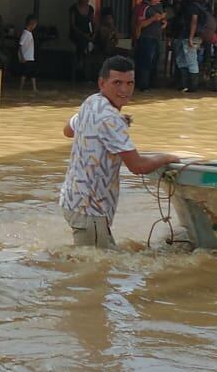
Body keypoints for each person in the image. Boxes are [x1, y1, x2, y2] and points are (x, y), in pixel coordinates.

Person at [59, 56, 179, 249]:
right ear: (102, 83)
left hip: (71, 199)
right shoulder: (111, 119)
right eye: (117, 83)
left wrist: (112, 124)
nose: (124, 90)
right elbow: (137, 166)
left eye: (130, 83)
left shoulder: (91, 102)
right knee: (94, 271)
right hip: (90, 209)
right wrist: (166, 157)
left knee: (97, 261)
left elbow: (67, 130)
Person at [173, 0, 206, 92]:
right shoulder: (202, 5)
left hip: (190, 36)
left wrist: (191, 37)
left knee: (191, 60)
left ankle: (192, 87)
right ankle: (185, 85)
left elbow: (194, 22)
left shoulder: (193, 6)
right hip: (191, 36)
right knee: (182, 59)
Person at [133, 0, 166, 92]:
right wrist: (153, 19)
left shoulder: (158, 7)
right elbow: (140, 24)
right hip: (146, 38)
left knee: (154, 61)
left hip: (156, 38)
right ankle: (143, 85)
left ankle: (151, 83)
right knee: (145, 62)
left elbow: (162, 22)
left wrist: (163, 22)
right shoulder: (144, 7)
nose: (157, 1)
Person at [68, 0, 96, 79]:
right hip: (76, 33)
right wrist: (83, 34)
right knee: (82, 40)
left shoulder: (90, 9)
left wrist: (94, 33)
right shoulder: (73, 9)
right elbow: (72, 25)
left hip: (87, 33)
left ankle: (89, 69)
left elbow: (93, 22)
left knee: (90, 41)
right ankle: (80, 61)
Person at [18, 14, 38, 92]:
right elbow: (20, 45)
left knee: (32, 73)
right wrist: (22, 57)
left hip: (30, 57)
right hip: (26, 58)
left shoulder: (28, 33)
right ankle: (21, 88)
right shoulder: (25, 34)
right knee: (24, 74)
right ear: (32, 24)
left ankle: (34, 88)